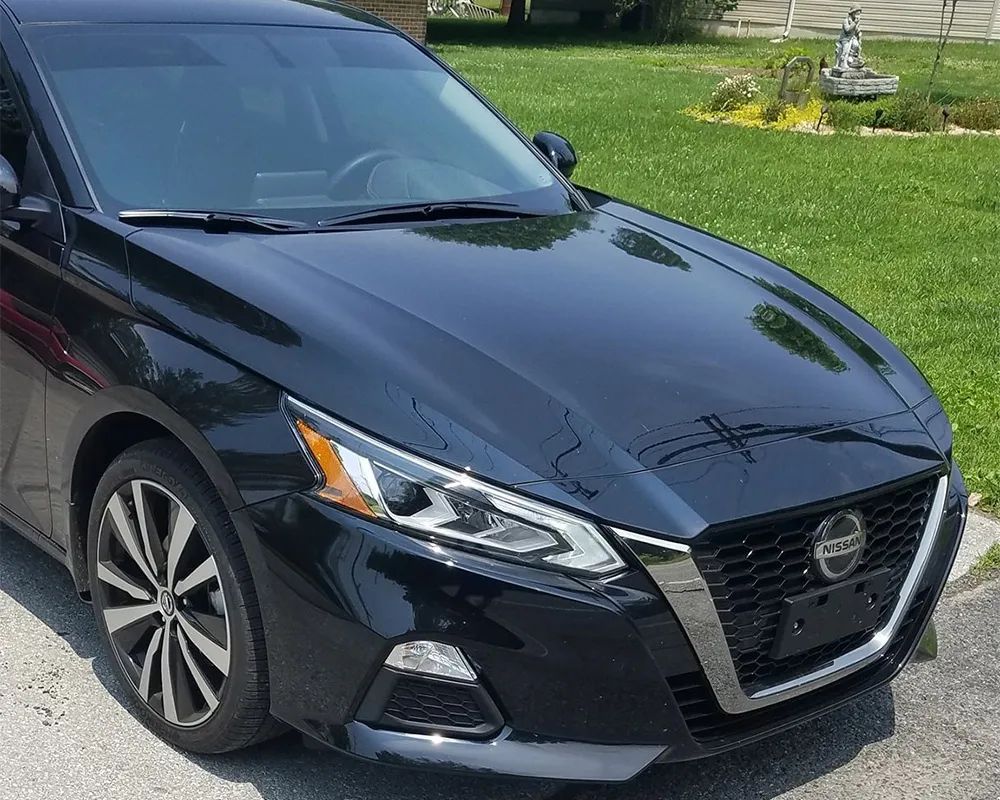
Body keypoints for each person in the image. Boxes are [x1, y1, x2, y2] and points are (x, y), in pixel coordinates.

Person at [835, 6, 865, 71]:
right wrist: (854, 23)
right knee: (846, 49)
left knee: (856, 45)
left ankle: (851, 59)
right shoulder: (846, 21)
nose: (858, 16)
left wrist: (858, 32)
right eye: (857, 14)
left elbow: (856, 30)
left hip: (852, 37)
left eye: (859, 14)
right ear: (853, 13)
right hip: (845, 38)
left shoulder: (856, 21)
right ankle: (843, 62)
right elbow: (847, 30)